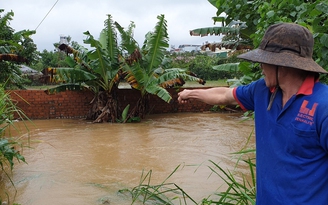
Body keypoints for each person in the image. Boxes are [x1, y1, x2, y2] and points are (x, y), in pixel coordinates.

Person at [178, 23, 328, 204]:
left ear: (283, 65)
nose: (261, 67)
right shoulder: (262, 91)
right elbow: (225, 95)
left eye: (264, 60)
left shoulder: (323, 106)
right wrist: (191, 93)